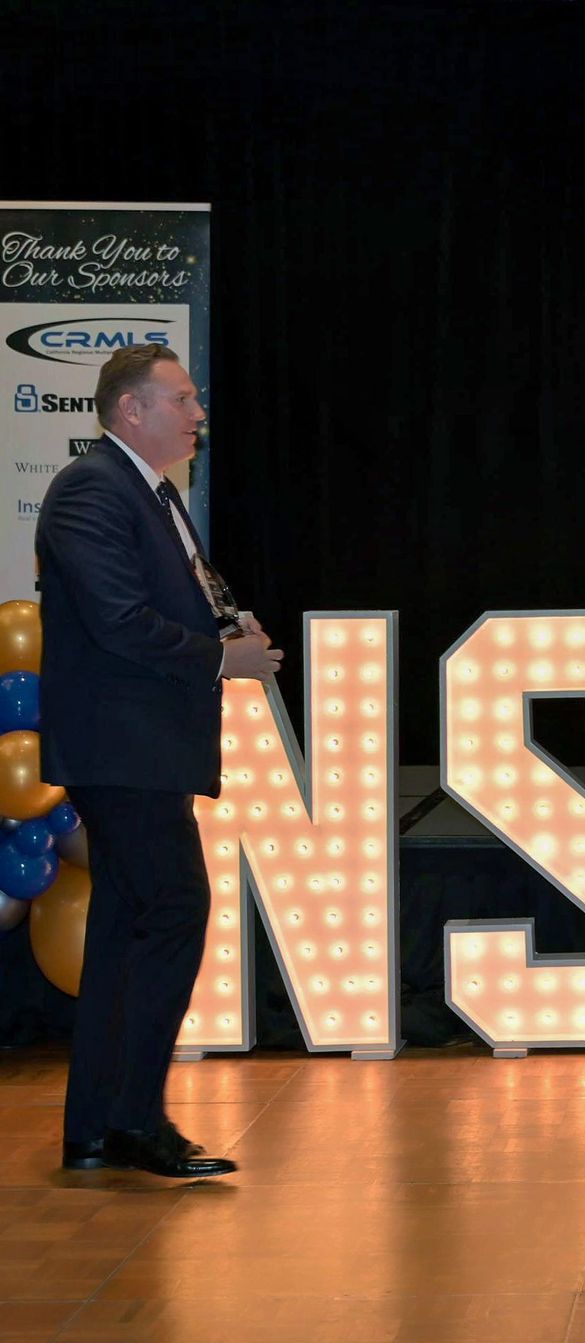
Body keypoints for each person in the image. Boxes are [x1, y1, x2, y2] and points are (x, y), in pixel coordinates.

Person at [37, 344, 282, 1178]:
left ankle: (96, 1127)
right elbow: (117, 619)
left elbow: (173, 598)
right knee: (176, 907)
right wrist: (220, 658)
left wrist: (230, 629)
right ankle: (136, 1120)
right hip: (122, 747)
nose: (198, 414)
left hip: (144, 748)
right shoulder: (92, 489)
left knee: (123, 928)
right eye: (182, 399)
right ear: (131, 409)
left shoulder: (151, 490)